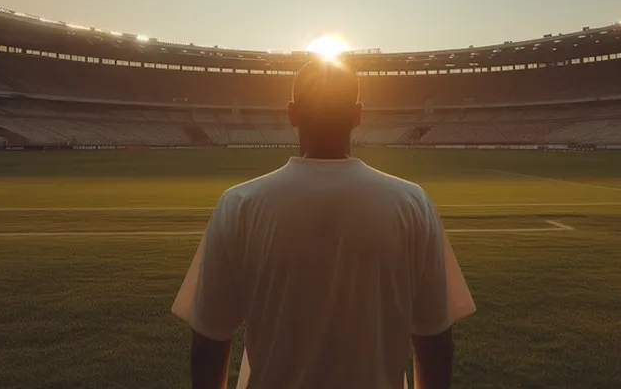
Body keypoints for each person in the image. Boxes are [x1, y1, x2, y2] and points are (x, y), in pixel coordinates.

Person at [172, 59, 475, 389]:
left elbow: (209, 345)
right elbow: (434, 345)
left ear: (291, 114)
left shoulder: (239, 205)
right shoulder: (413, 204)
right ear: (358, 115)